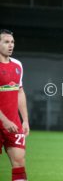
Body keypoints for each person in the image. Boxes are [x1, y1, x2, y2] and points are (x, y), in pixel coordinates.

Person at [0, 29, 30, 181]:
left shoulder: (17, 65)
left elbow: (20, 92)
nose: (10, 45)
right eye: (6, 42)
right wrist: (4, 121)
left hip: (14, 123)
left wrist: (24, 120)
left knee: (19, 162)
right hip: (4, 122)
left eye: (12, 42)